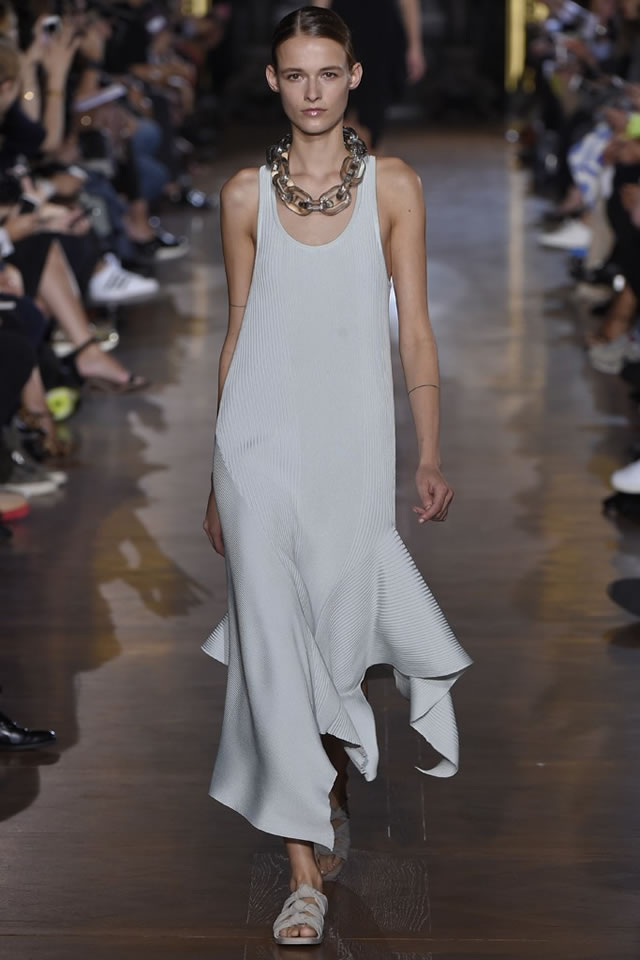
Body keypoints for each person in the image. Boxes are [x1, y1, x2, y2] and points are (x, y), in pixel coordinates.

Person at [202, 6, 472, 946]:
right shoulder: (243, 196)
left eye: (327, 73)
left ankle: (328, 791)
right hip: (257, 449)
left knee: (335, 639)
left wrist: (428, 451)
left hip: (351, 450)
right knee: (274, 651)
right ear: (273, 82)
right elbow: (238, 332)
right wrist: (214, 475)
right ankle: (303, 875)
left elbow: (416, 327)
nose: (311, 91)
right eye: (295, 74)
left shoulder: (394, 185)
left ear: (354, 76)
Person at [313, 0, 426, 149]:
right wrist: (315, 40)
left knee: (373, 114)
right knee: (334, 109)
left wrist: (415, 46)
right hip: (342, 28)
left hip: (380, 33)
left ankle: (367, 154)